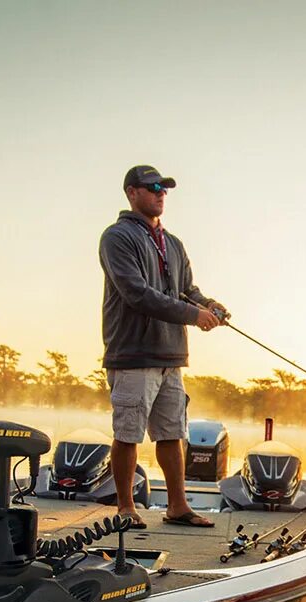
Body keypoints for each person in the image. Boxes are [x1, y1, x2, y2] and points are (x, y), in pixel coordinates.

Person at [98, 164, 227, 529]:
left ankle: (178, 506)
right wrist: (193, 315)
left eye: (165, 188)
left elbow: (188, 290)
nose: (160, 193)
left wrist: (210, 305)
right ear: (132, 192)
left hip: (171, 356)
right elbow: (137, 294)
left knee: (172, 434)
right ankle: (125, 508)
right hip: (132, 354)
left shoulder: (173, 243)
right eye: (153, 187)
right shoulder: (117, 237)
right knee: (128, 434)